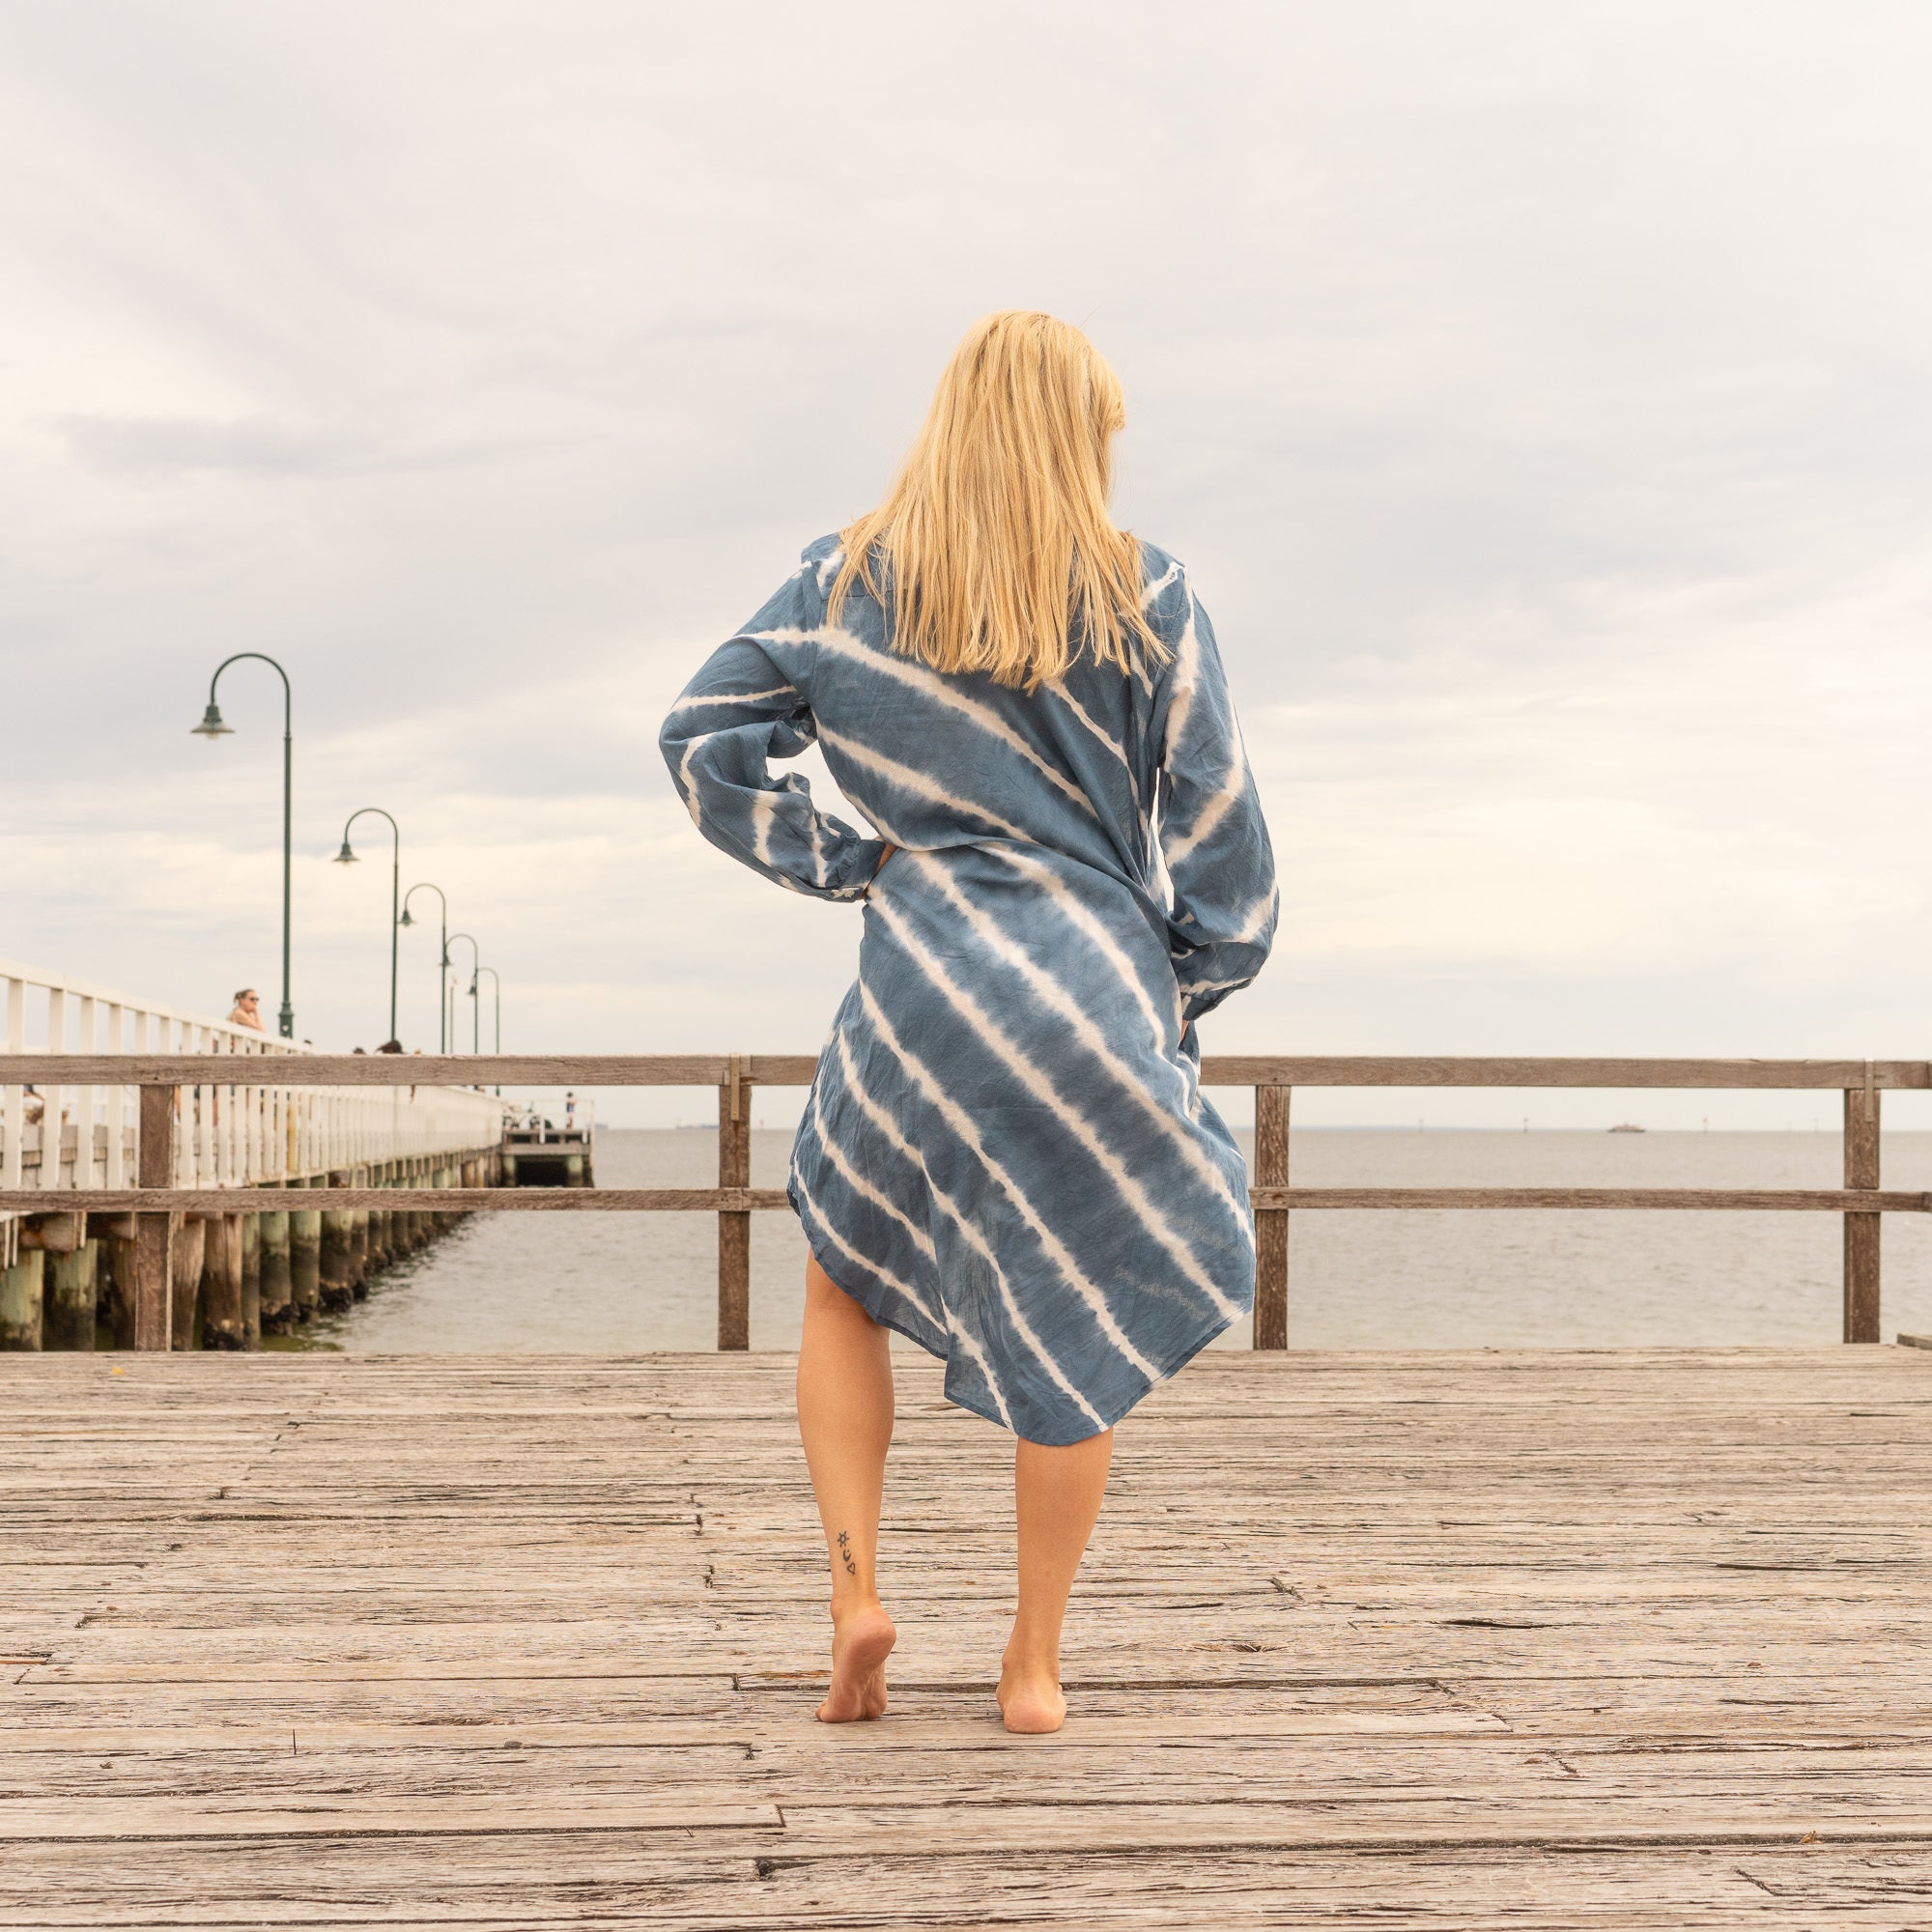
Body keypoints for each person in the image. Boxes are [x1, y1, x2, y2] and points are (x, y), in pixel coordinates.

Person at [660, 311, 1276, 1734]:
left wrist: (855, 860)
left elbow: (701, 739)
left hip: (921, 980)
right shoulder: (1148, 595)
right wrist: (1177, 992)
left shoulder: (845, 577)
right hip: (1090, 978)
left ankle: (855, 1602)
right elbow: (1223, 838)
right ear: (1082, 435)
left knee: (837, 1283)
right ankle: (1033, 1667)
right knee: (1084, 1297)